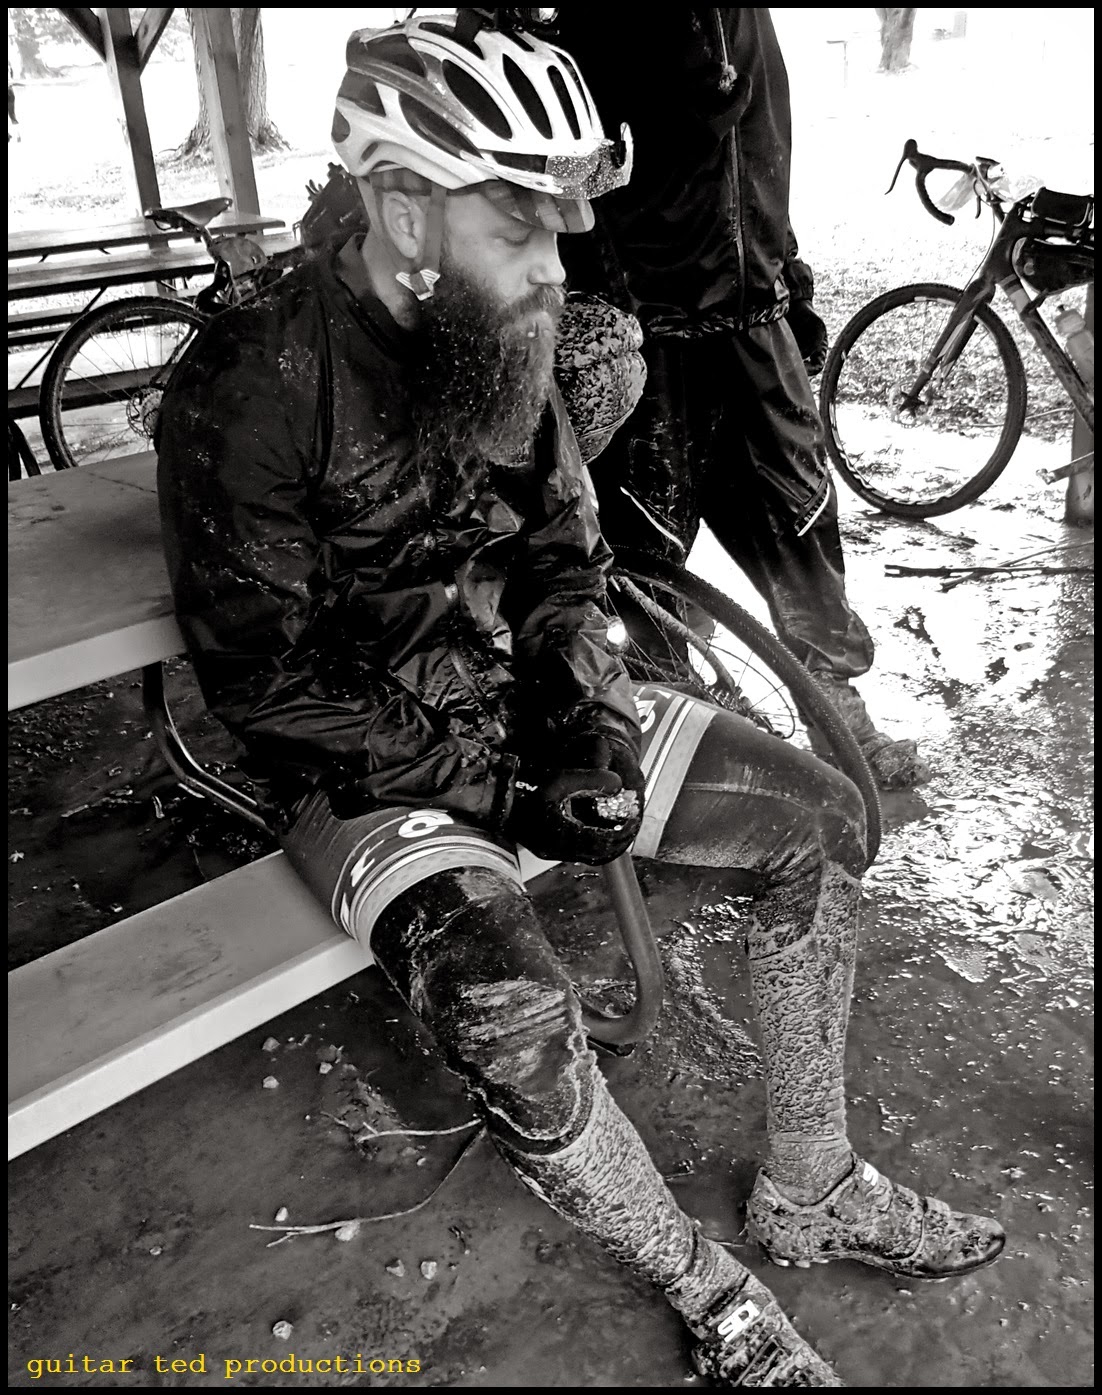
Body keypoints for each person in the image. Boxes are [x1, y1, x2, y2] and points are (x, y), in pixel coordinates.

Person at [156, 13, 1002, 1387]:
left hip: (507, 703)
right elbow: (268, 686)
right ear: (402, 210)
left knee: (819, 822)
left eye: (560, 229)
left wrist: (589, 720)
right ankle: (710, 1294)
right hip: (352, 760)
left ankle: (812, 1182)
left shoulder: (499, 324)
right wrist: (500, 788)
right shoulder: (253, 378)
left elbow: (564, 560)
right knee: (513, 1020)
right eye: (521, 230)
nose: (558, 266)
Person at [548, 8, 930, 792]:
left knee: (801, 511)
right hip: (649, 315)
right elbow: (571, 167)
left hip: (755, 305)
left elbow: (761, 144)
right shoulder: (587, 18)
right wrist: (602, 301)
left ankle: (834, 706)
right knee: (645, 540)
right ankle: (674, 716)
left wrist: (789, 272)